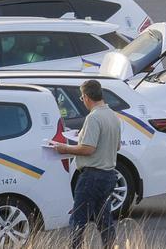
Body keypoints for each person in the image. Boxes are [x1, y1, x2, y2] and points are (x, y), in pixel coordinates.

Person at [53, 80, 121, 249]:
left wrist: (64, 148)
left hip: (92, 175)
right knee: (103, 219)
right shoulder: (112, 115)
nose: (82, 100)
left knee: (78, 219)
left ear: (86, 97)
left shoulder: (94, 117)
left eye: (82, 97)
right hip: (109, 174)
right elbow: (117, 145)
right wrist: (82, 135)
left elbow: (88, 149)